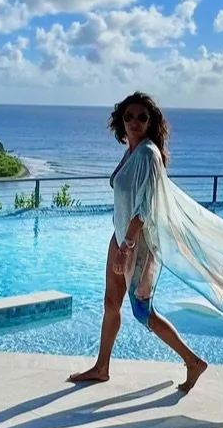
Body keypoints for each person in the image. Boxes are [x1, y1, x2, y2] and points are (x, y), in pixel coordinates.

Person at [68, 92, 211, 393]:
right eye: (129, 116)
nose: (134, 122)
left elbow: (144, 207)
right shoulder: (132, 151)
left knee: (142, 311)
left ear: (151, 122)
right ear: (121, 120)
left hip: (137, 243)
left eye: (142, 117)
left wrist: (127, 245)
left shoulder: (148, 153)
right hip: (120, 237)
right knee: (111, 303)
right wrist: (120, 240)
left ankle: (193, 361)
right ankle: (101, 367)